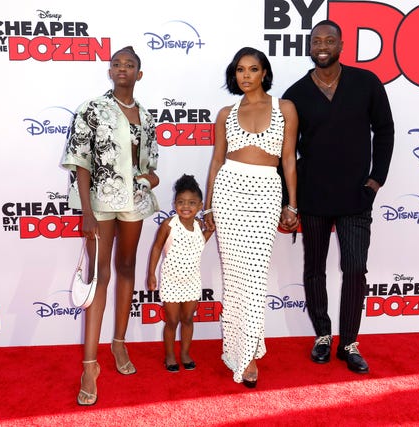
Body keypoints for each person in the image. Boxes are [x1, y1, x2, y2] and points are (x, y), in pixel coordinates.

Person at [282, 20, 395, 374]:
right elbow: (285, 154)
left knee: (355, 269)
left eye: (330, 40)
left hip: (356, 197)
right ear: (310, 46)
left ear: (342, 45)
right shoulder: (296, 94)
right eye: (317, 40)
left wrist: (377, 180)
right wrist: (291, 200)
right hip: (313, 196)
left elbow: (386, 129)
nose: (323, 45)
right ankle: (322, 336)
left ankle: (348, 343)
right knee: (314, 269)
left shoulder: (366, 83)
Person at [61, 46, 160, 405]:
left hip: (133, 202)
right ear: (109, 71)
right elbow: (80, 161)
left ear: (139, 74)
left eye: (129, 64)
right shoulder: (91, 109)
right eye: (116, 63)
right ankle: (90, 365)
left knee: (128, 267)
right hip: (99, 204)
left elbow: (149, 164)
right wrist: (86, 211)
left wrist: (148, 181)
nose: (122, 68)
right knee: (99, 275)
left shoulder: (146, 117)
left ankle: (119, 343)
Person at [204, 47, 299, 388]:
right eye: (240, 70)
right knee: (234, 278)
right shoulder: (225, 113)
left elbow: (289, 159)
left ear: (264, 73)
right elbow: (216, 161)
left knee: (255, 277)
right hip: (229, 190)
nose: (245, 75)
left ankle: (248, 351)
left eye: (253, 69)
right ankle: (241, 353)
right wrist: (209, 205)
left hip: (266, 194)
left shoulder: (284, 108)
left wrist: (292, 205)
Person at [147, 174, 213, 373]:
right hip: (171, 280)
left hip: (192, 281)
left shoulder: (200, 226)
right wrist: (151, 274)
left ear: (200, 206)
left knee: (188, 319)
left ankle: (185, 353)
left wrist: (210, 228)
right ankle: (169, 355)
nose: (186, 206)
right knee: (172, 321)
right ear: (175, 203)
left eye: (192, 203)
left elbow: (199, 244)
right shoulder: (169, 224)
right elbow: (157, 248)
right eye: (181, 202)